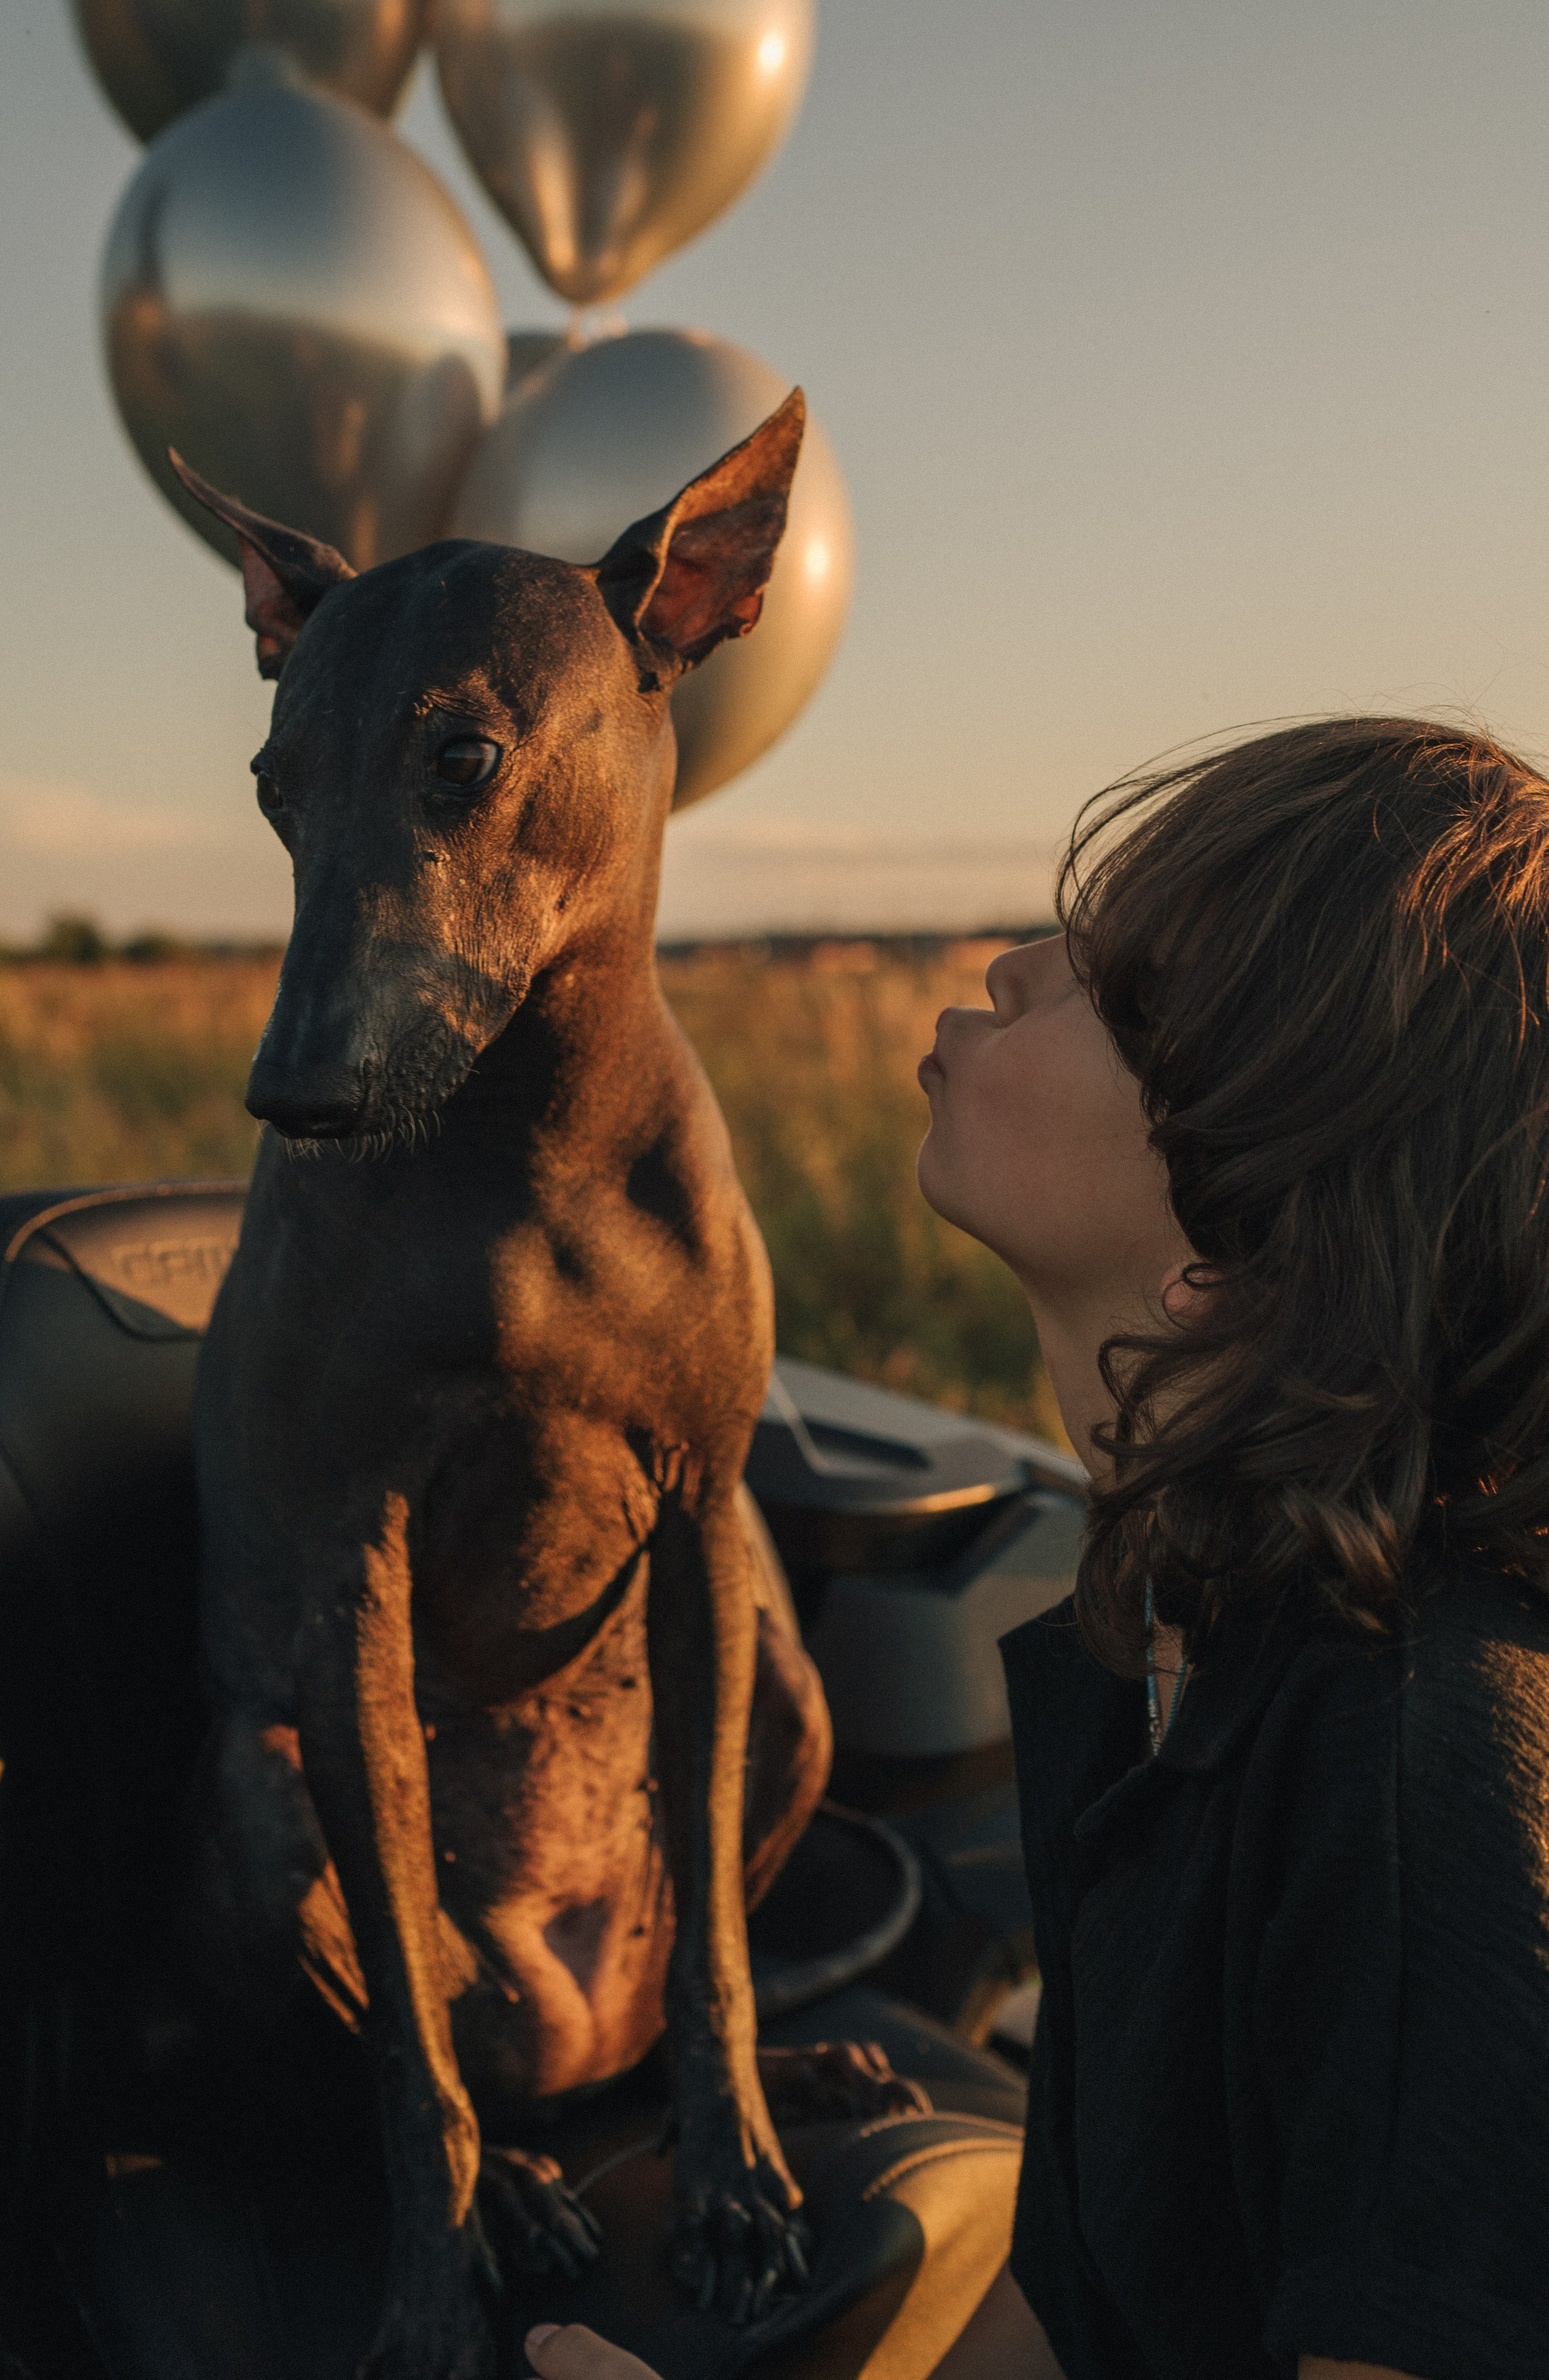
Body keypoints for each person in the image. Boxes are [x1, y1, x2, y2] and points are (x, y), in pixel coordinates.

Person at [526, 715, 1549, 2380]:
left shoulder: (1418, 1780)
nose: (1007, 970)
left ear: (1252, 1246)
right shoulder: (1168, 1634)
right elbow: (1092, 2294)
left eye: (1118, 993)